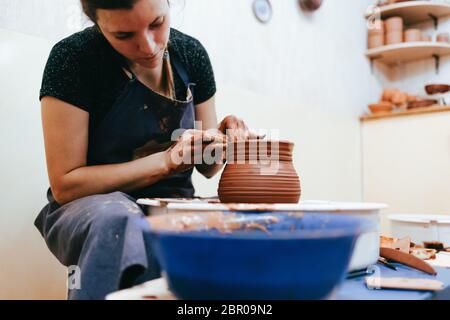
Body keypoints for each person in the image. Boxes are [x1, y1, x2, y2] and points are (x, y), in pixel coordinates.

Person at [35, 0, 254, 299]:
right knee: (119, 220)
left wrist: (223, 140)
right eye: (124, 35)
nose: (149, 46)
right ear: (96, 22)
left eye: (157, 23)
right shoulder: (73, 59)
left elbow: (207, 165)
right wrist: (165, 161)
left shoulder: (190, 54)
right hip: (94, 203)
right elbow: (66, 185)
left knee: (247, 221)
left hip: (172, 201)